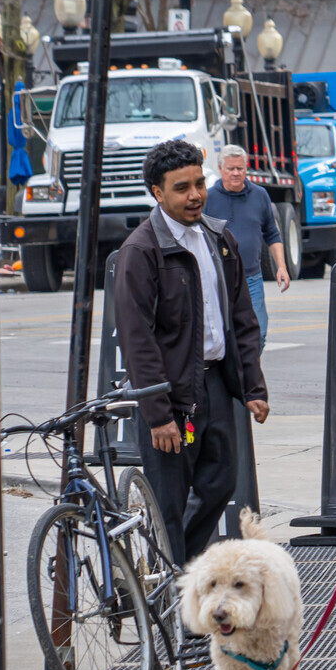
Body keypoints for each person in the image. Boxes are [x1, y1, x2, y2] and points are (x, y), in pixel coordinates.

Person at [113, 139, 271, 564]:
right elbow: (136, 339)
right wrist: (158, 413)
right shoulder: (141, 251)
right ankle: (172, 596)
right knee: (168, 502)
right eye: (181, 187)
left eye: (200, 183)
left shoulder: (219, 238)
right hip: (170, 395)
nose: (195, 194)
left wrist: (253, 386)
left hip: (216, 384)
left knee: (221, 483)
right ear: (157, 192)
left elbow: (241, 317)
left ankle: (173, 569)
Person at [206, 144, 289, 348]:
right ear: (220, 169)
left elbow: (272, 234)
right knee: (224, 337)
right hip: (219, 279)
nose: (236, 173)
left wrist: (282, 267)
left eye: (240, 168)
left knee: (258, 334)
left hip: (251, 277)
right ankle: (236, 378)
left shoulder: (260, 195)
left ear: (246, 168)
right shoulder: (208, 198)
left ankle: (247, 374)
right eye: (231, 169)